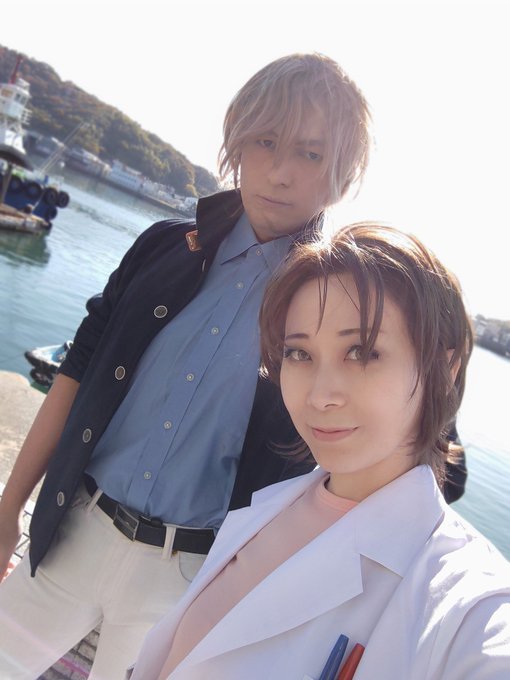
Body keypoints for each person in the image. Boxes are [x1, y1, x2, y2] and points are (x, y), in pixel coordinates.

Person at [0, 53, 372, 679]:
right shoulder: (162, 248)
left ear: (341, 173)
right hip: (74, 527)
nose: (280, 171)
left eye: (310, 154)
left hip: (191, 581)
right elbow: (77, 370)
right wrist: (9, 506)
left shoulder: (337, 308)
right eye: (265, 141)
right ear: (237, 140)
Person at [130, 224, 510, 680]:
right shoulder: (269, 508)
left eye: (362, 351)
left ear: (444, 370)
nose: (320, 395)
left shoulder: (466, 605)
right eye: (299, 354)